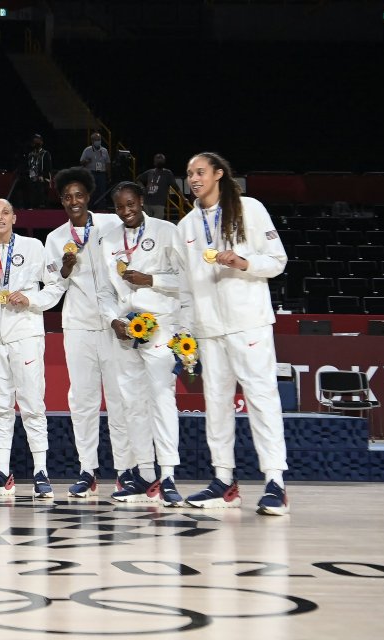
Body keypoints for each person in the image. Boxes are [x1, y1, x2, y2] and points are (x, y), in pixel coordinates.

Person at [174, 152, 290, 515]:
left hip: (249, 323)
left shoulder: (249, 208)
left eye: (200, 172)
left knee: (261, 398)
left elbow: (278, 260)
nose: (194, 179)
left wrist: (244, 263)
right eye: (190, 173)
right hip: (209, 331)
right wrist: (185, 337)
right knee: (217, 406)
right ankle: (224, 481)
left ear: (219, 174)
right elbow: (183, 288)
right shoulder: (186, 226)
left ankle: (276, 482)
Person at [44, 168, 131, 498]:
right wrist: (65, 267)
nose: (73, 201)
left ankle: (125, 472)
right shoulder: (55, 238)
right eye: (67, 197)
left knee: (119, 399)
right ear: (62, 201)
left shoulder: (111, 225)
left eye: (79, 195)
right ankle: (88, 471)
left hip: (115, 324)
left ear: (89, 196)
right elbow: (55, 282)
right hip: (78, 325)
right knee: (82, 401)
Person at [96, 182, 184, 506]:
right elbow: (104, 291)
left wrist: (151, 280)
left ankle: (169, 475)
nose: (126, 210)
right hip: (125, 330)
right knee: (131, 403)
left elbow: (185, 280)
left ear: (142, 201)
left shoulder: (166, 231)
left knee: (162, 400)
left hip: (159, 327)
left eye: (131, 204)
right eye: (120, 206)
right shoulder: (108, 241)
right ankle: (146, 475)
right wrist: (112, 321)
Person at [0, 198, 62, 497]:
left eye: (5, 213)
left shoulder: (34, 247)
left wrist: (31, 300)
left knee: (32, 404)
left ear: (14, 217)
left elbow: (56, 285)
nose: (0, 218)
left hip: (25, 333)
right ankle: (2, 472)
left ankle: (41, 472)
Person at [15, 134, 53, 209]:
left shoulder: (45, 153)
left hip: (42, 179)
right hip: (32, 179)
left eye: (38, 140)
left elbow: (48, 168)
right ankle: (26, 207)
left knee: (40, 193)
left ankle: (42, 208)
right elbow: (29, 167)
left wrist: (44, 177)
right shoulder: (30, 154)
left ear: (41, 142)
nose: (36, 142)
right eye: (34, 140)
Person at [137, 154, 176, 219]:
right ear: (154, 162)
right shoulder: (150, 172)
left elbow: (175, 186)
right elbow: (138, 179)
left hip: (159, 204)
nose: (159, 160)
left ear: (164, 161)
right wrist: (142, 187)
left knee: (157, 225)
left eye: (161, 158)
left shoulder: (167, 173)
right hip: (147, 203)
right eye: (157, 158)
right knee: (147, 224)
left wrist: (183, 197)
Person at [80, 132, 111, 209]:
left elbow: (108, 163)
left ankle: (101, 209)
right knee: (91, 192)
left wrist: (109, 174)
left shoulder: (104, 150)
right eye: (96, 139)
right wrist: (87, 161)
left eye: (99, 139)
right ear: (92, 141)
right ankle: (90, 208)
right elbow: (81, 162)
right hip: (91, 173)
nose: (98, 141)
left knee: (102, 192)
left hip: (101, 174)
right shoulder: (87, 150)